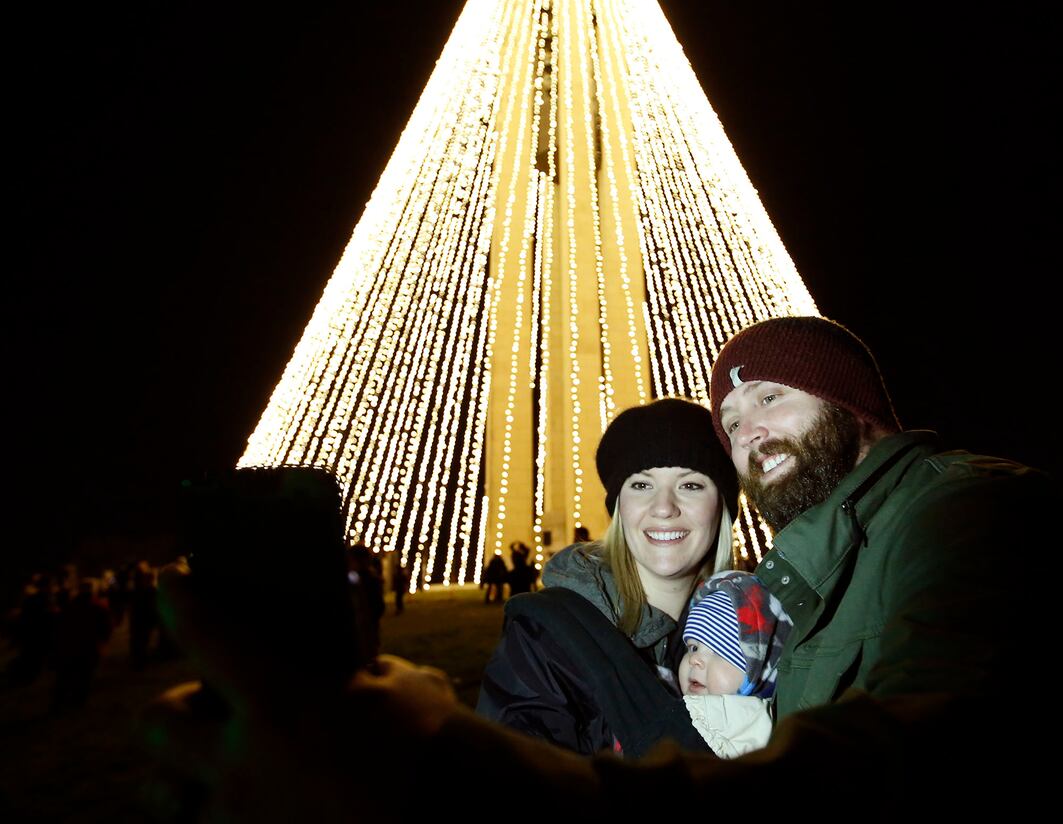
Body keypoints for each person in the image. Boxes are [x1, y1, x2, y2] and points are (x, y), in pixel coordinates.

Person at [143, 317, 1053, 818]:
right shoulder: (800, 575)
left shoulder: (956, 510)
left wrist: (446, 769)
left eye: (771, 398)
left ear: (854, 407)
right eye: (731, 426)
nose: (750, 435)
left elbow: (930, 753)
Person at [476, 397, 739, 755]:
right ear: (619, 507)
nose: (664, 508)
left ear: (722, 505)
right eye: (641, 485)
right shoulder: (547, 640)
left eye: (690, 485)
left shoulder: (758, 630)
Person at [677, 569, 791, 757]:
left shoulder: (752, 734)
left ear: (759, 671)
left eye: (720, 652)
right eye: (693, 647)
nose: (694, 659)